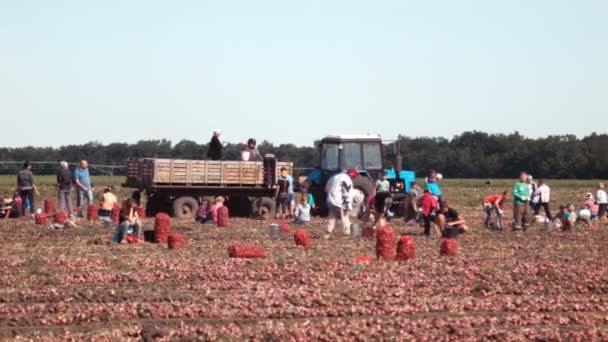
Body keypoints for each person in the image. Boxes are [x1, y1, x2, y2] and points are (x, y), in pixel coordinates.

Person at [324, 169, 356, 238]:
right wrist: (348, 204)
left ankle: (327, 233)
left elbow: (326, 188)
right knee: (345, 217)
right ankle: (346, 233)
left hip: (330, 199)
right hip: (339, 201)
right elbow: (347, 192)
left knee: (332, 216)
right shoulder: (346, 179)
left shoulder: (333, 177)